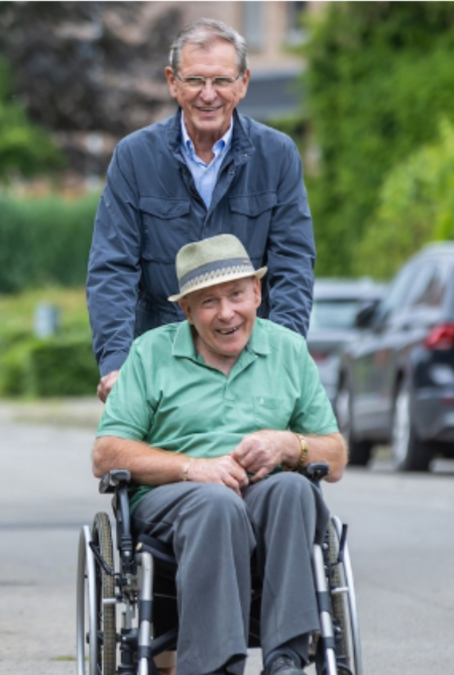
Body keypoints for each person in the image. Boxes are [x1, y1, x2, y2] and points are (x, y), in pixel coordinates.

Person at [92, 233, 346, 675]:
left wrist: (288, 445)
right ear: (187, 310)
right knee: (215, 503)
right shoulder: (150, 354)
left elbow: (334, 456)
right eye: (208, 302)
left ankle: (285, 664)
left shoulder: (289, 351)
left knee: (296, 489)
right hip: (174, 503)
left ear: (257, 291)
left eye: (236, 296)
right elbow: (106, 454)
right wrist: (193, 467)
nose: (226, 313)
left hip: (265, 495)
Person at [87, 18, 316, 403]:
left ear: (243, 83)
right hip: (158, 361)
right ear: (172, 82)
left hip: (248, 361)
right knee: (140, 462)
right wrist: (117, 364)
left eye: (222, 81)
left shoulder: (277, 155)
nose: (208, 95)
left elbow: (293, 265)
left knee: (267, 462)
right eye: (195, 80)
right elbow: (112, 267)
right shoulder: (134, 157)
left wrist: (283, 357)